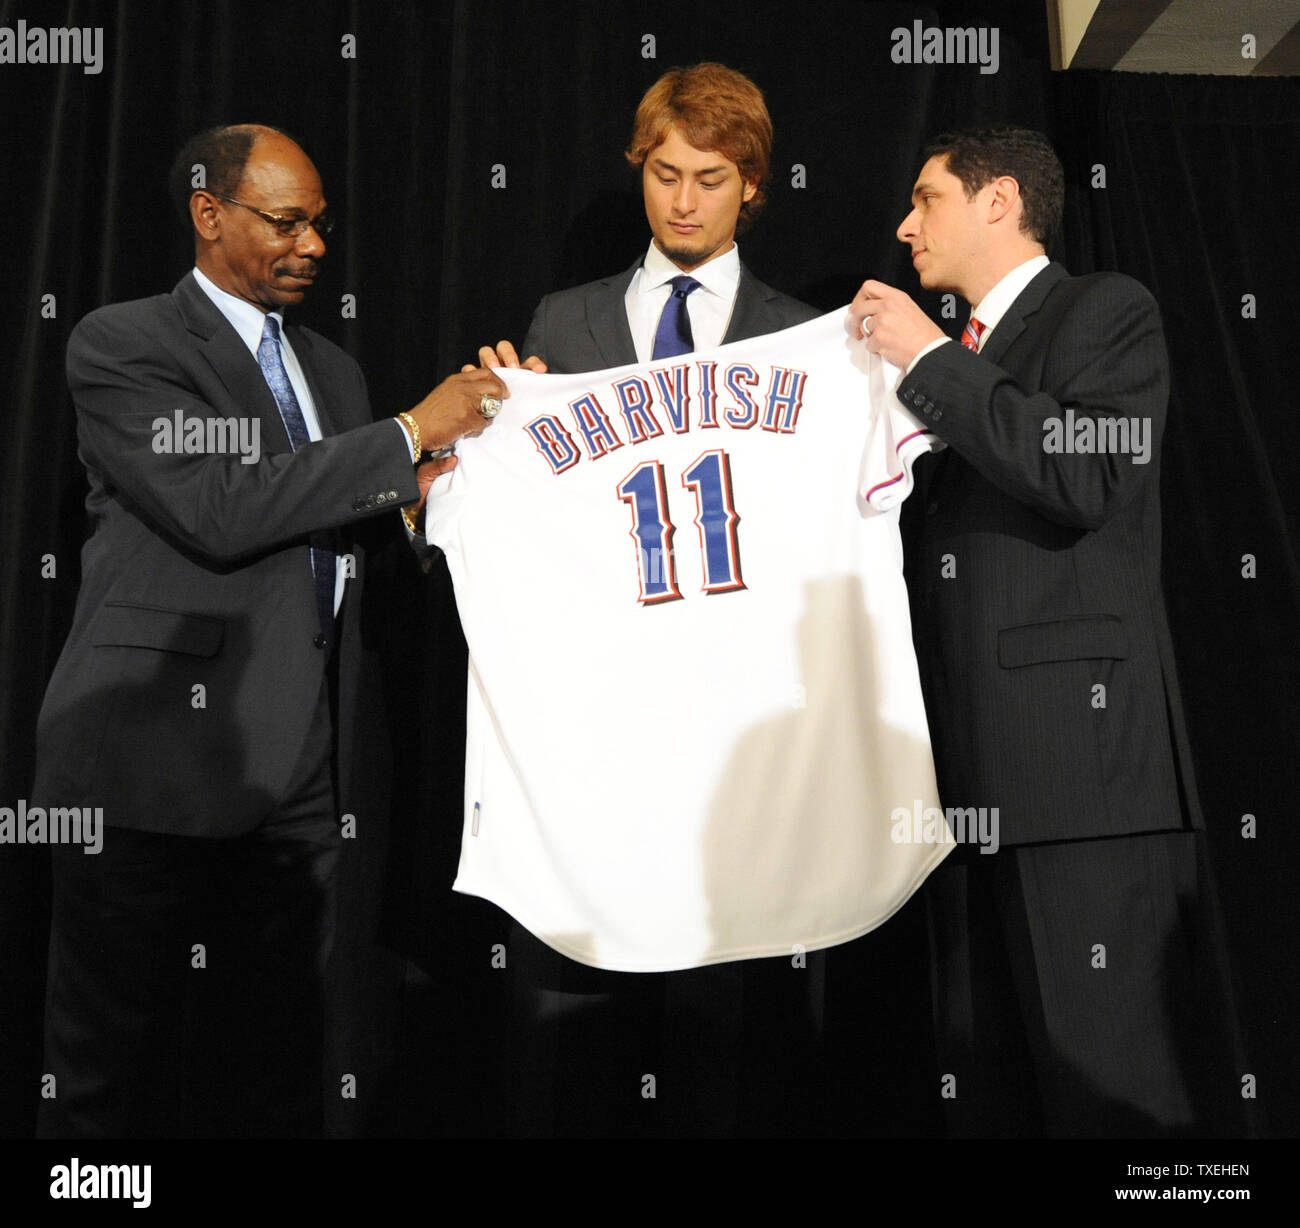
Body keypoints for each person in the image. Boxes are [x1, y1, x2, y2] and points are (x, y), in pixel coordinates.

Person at [34, 123, 505, 1137]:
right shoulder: (122, 343)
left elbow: (335, 517)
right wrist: (413, 430)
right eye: (285, 222)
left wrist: (442, 486)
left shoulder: (330, 372)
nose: (314, 246)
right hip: (148, 761)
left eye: (320, 227)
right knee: (107, 1069)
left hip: (300, 766)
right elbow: (222, 505)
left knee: (282, 1054)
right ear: (209, 215)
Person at [455, 63, 839, 1138]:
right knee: (571, 1022)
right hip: (595, 729)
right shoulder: (563, 322)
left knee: (724, 1032)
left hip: (734, 738)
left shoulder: (802, 338)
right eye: (662, 173)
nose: (680, 200)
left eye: (709, 179)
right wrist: (498, 427)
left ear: (752, 185)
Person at [850, 127, 1249, 1136]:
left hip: (1081, 780)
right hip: (966, 792)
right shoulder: (960, 362)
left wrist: (930, 358)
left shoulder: (1104, 310)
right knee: (1000, 1097)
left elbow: (1087, 472)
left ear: (997, 204)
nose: (904, 229)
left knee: (1115, 1094)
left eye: (924, 199)